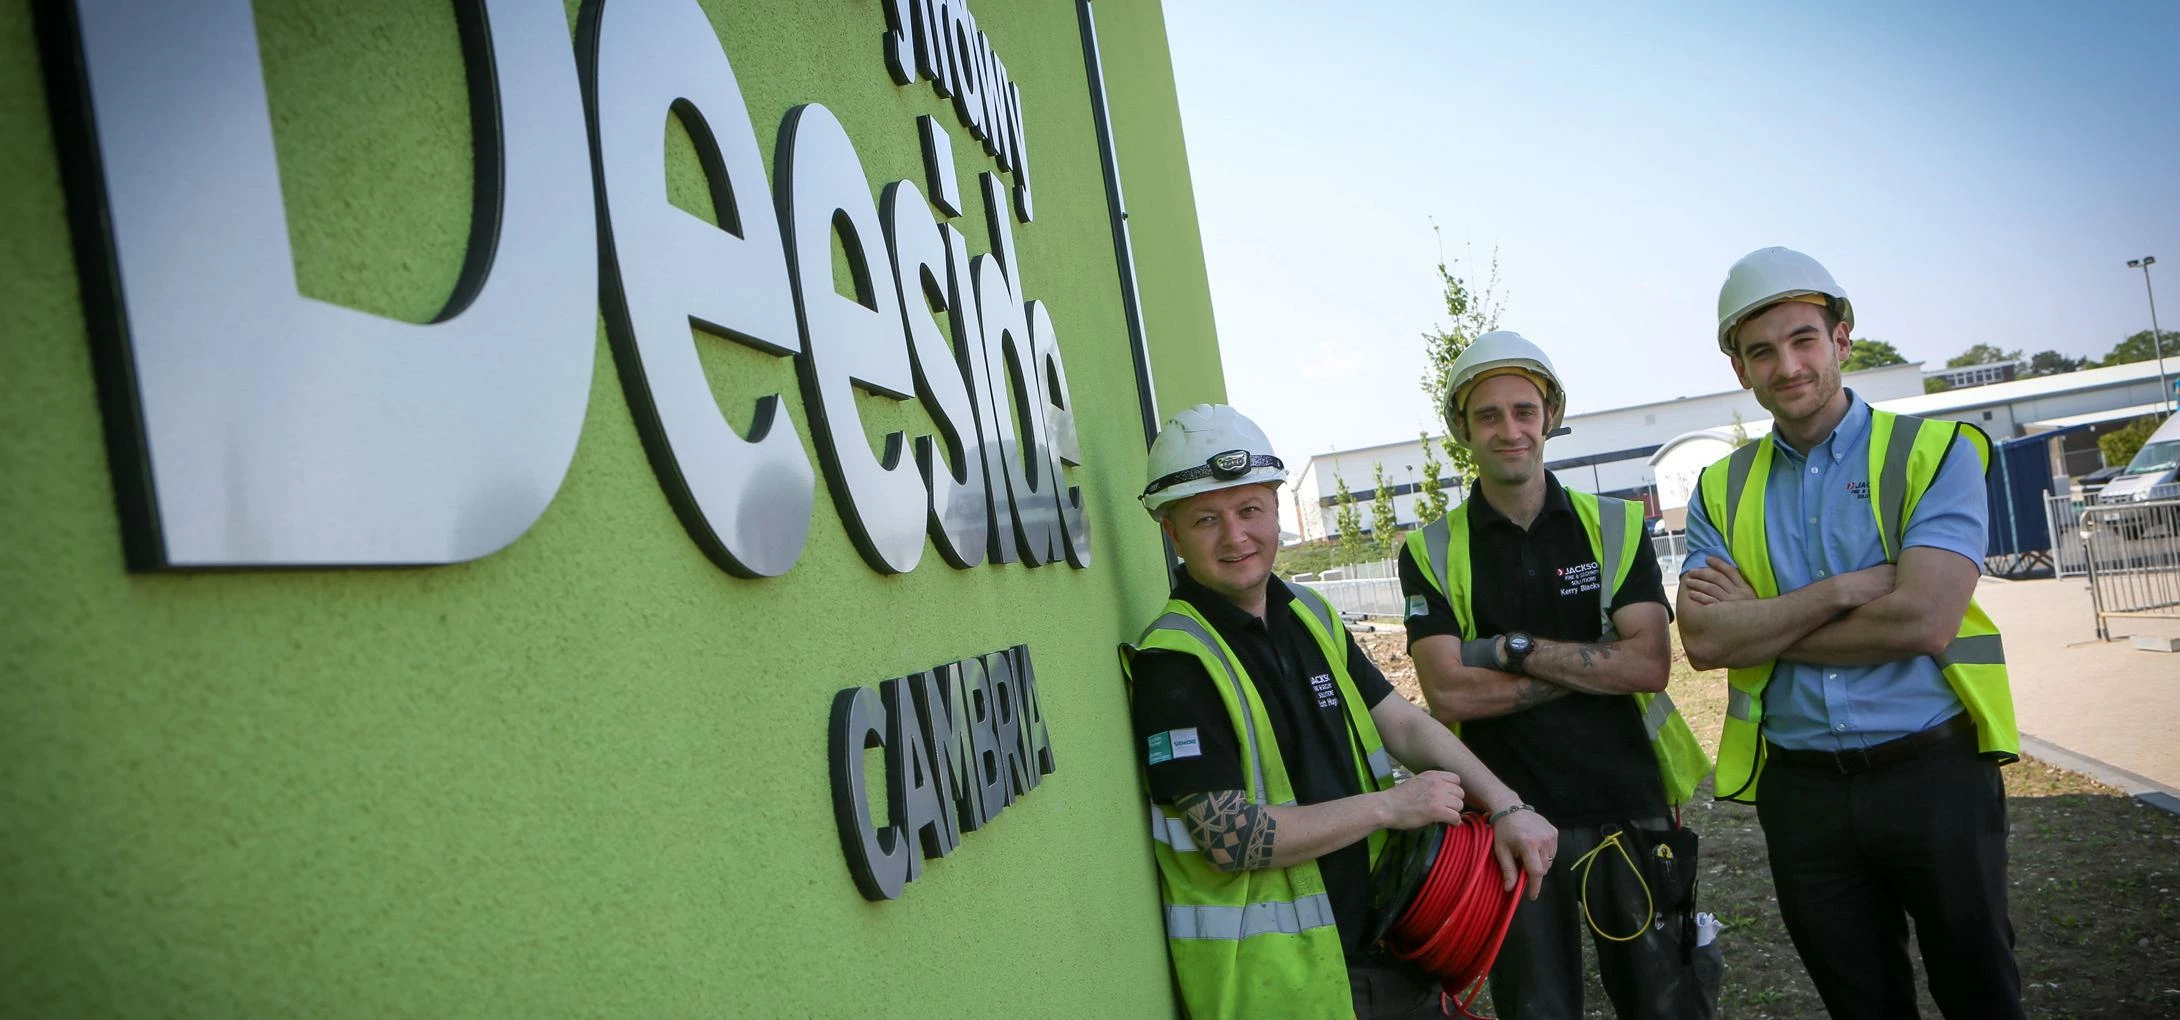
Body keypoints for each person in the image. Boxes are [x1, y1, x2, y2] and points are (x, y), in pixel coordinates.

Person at [1123, 403, 1559, 1020]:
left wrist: (1508, 804)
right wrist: (1390, 806)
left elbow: (1401, 721)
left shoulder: (1308, 613)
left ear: (1278, 508)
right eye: (1205, 520)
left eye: (1250, 510)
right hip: (1289, 989)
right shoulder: (1175, 663)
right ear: (1172, 533)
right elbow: (1231, 837)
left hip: (1382, 942)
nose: (1236, 537)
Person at [1677, 247, 2023, 1019]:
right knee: (1860, 1006)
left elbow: (1923, 619)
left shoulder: (1935, 454)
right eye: (1761, 351)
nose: (1787, 365)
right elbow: (1702, 641)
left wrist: (1758, 625)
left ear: (1842, 339)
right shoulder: (1720, 486)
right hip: (1802, 795)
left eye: (1804, 339)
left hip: (1935, 776)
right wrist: (1838, 593)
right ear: (1741, 370)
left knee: (1982, 997)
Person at [1397, 331, 1714, 1019]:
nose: (1509, 430)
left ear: (1549, 417)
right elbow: (1448, 690)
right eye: (1488, 416)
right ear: (1462, 428)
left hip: (1626, 807)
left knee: (1665, 1002)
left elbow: (1649, 665)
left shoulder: (1615, 526)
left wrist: (1505, 649)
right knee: (1538, 1009)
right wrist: (1592, 660)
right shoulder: (1430, 550)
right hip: (1507, 821)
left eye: (1523, 411)